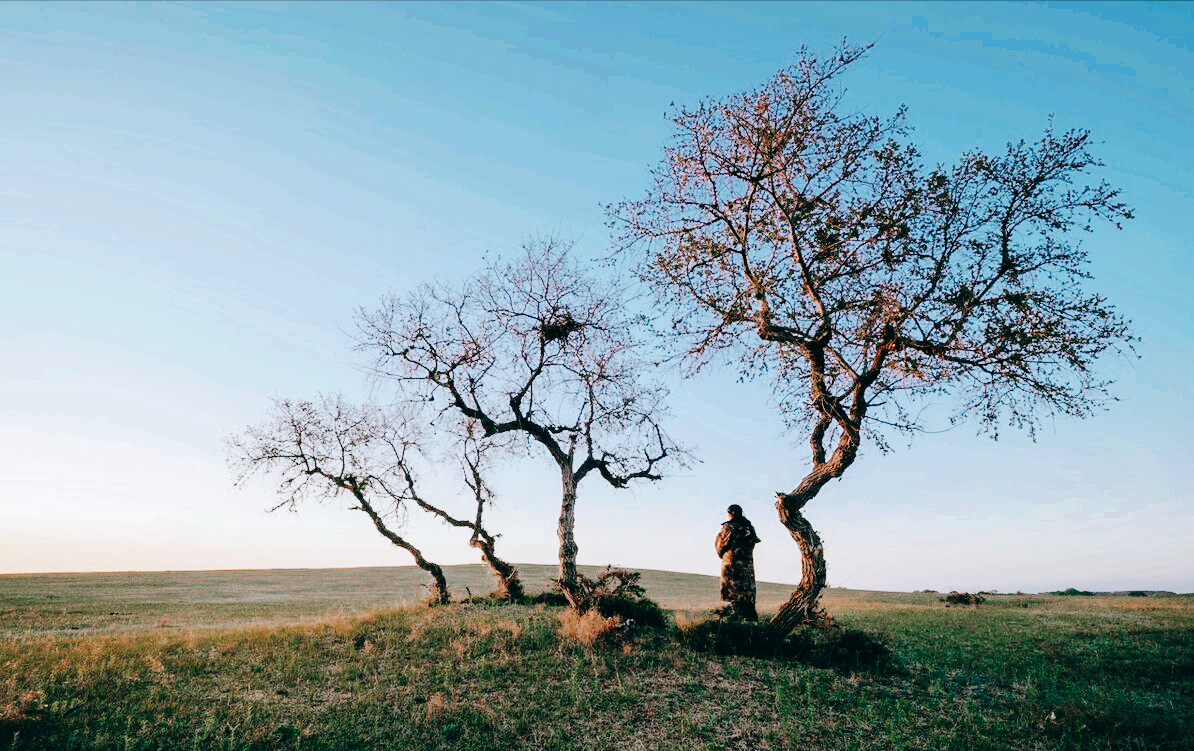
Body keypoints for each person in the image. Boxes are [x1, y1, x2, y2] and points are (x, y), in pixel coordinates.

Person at [715, 504, 761, 621]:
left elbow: (719, 546)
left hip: (733, 571)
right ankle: (754, 630)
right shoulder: (749, 528)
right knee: (749, 606)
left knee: (736, 605)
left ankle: (739, 632)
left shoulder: (729, 527)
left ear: (730, 514)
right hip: (748, 572)